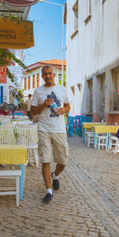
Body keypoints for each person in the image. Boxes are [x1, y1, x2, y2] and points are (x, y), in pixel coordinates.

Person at [30, 66, 71, 203]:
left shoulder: (61, 89)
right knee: (45, 160)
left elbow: (68, 106)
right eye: (45, 74)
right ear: (42, 76)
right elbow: (32, 112)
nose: (47, 76)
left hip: (59, 129)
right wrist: (43, 105)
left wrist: (63, 110)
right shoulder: (38, 91)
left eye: (49, 74)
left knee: (63, 161)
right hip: (44, 130)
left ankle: (55, 175)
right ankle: (48, 190)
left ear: (54, 75)